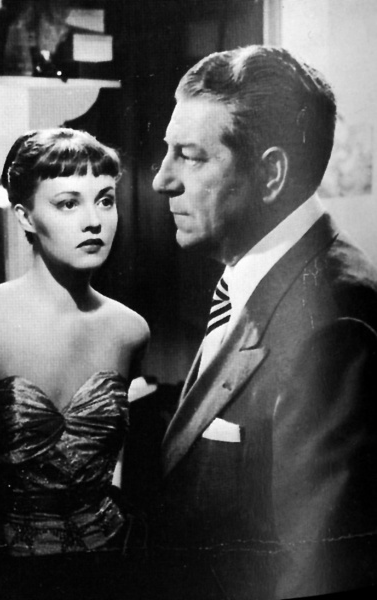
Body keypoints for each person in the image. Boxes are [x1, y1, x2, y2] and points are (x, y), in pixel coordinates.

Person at [149, 45, 377, 599]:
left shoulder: (334, 325)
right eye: (166, 152)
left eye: (190, 157)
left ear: (271, 174)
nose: (161, 180)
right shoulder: (255, 272)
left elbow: (319, 573)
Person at [0, 127, 149, 599]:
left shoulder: (130, 331)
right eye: (68, 204)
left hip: (110, 571)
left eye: (105, 200)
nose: (94, 222)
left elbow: (115, 461)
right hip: (6, 576)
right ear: (25, 216)